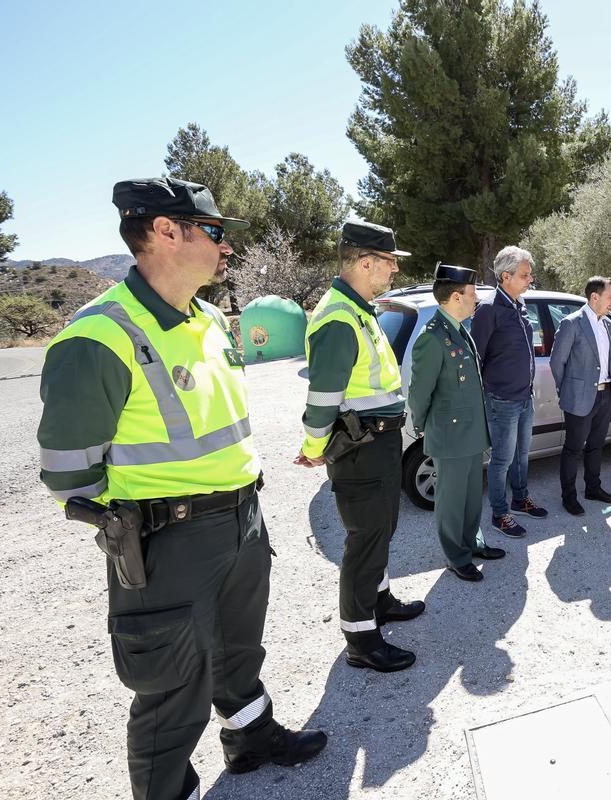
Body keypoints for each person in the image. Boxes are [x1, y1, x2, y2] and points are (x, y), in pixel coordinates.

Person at [36, 177, 325, 800]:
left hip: (243, 520)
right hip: (167, 540)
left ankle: (249, 737)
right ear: (166, 232)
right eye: (215, 232)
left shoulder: (213, 320)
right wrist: (139, 521)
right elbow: (67, 474)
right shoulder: (99, 337)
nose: (226, 248)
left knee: (240, 652)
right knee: (170, 689)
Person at [295, 221, 422, 674]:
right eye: (389, 262)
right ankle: (361, 638)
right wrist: (315, 447)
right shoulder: (337, 317)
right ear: (366, 262)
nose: (393, 271)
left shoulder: (360, 310)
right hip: (361, 447)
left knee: (381, 530)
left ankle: (379, 601)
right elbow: (322, 398)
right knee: (365, 539)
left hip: (380, 443)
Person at [408, 264, 506, 581]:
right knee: (451, 500)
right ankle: (456, 556)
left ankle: (472, 543)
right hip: (449, 434)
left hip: (471, 431)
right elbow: (419, 392)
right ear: (455, 296)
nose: (476, 298)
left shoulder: (460, 329)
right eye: (472, 292)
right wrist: (422, 426)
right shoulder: (433, 338)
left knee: (470, 495)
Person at [471, 245, 547, 537]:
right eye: (525, 275)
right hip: (501, 399)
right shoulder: (489, 309)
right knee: (502, 459)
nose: (530, 279)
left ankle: (520, 499)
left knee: (521, 455)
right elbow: (477, 355)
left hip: (524, 396)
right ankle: (500, 515)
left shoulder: (519, 304)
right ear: (506, 276)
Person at [550, 276, 611, 515]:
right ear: (595, 297)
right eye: (610, 296)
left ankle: (593, 488)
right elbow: (556, 362)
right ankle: (568, 496)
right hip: (579, 399)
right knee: (572, 449)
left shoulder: (607, 324)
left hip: (604, 396)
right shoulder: (572, 323)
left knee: (596, 446)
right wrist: (568, 391)